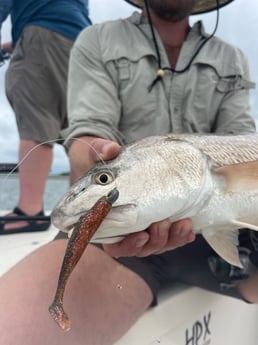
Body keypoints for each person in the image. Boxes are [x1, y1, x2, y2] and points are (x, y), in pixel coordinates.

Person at [0, 1, 258, 344]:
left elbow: (241, 137)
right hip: (118, 236)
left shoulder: (232, 57)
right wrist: (93, 161)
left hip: (222, 237)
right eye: (105, 180)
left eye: (105, 180)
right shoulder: (97, 39)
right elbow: (86, 134)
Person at [0, 0, 91, 234]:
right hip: (83, 43)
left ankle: (30, 212)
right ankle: (79, 212)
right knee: (78, 129)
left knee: (36, 117)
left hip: (40, 36)